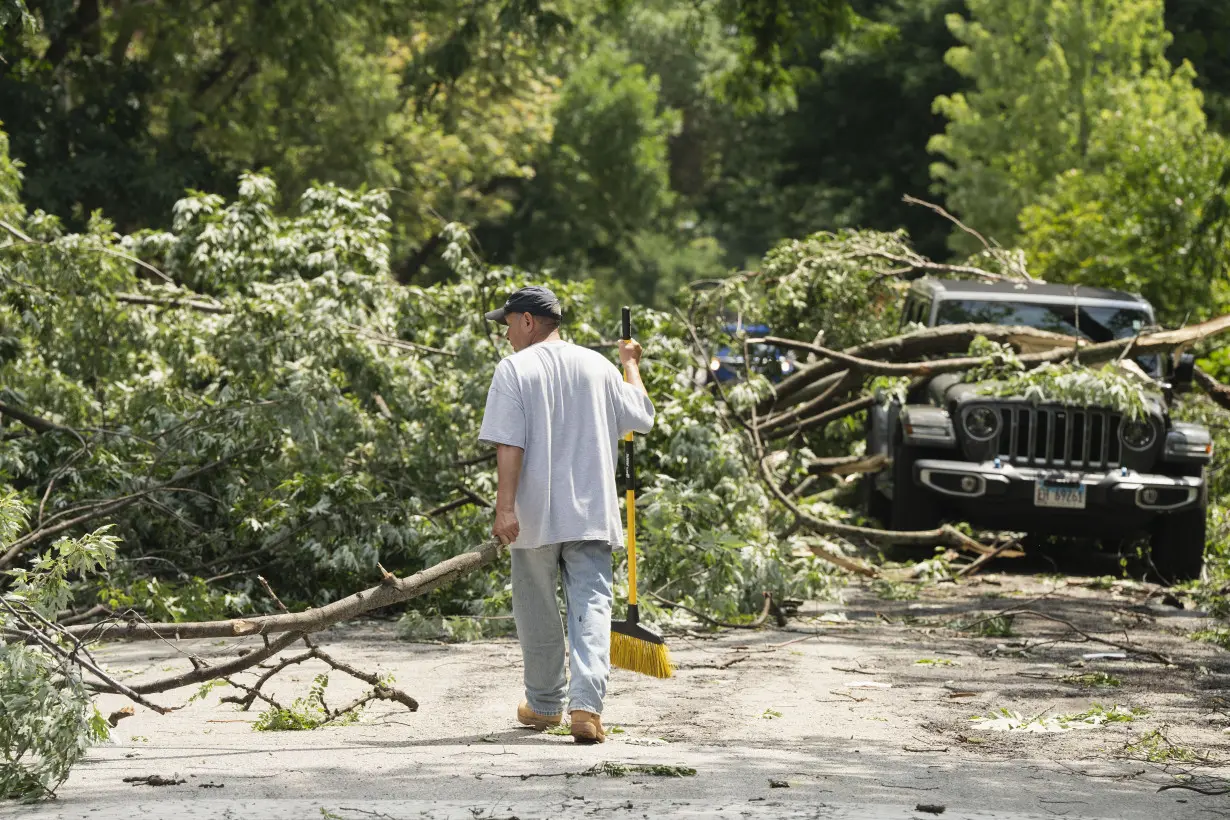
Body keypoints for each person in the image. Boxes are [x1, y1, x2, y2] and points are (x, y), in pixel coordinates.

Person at [478, 285, 655, 744]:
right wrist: (631, 364)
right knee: (593, 605)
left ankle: (543, 704)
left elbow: (509, 444)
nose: (506, 333)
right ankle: (586, 708)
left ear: (529, 322)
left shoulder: (514, 369)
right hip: (592, 511)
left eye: (508, 323)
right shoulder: (599, 366)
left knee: (535, 606)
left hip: (533, 515)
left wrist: (504, 508)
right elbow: (642, 415)